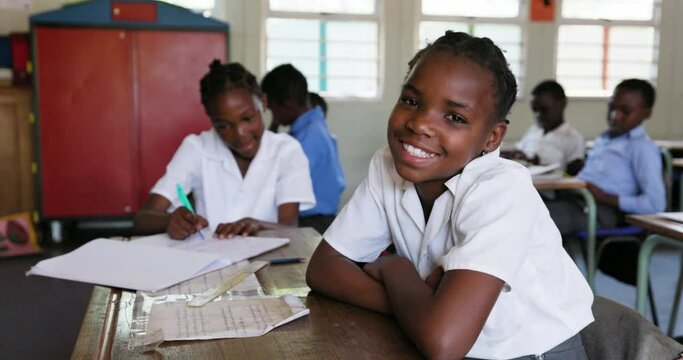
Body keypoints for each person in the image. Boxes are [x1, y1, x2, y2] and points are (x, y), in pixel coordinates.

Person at [306, 31, 593, 359]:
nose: (420, 124)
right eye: (412, 101)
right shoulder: (387, 163)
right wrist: (420, 306)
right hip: (443, 340)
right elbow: (323, 268)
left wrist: (395, 270)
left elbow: (443, 341)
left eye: (455, 117)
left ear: (492, 137)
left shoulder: (502, 189)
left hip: (530, 352)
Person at [133, 60, 315, 240]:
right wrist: (170, 221)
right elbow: (143, 219)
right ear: (211, 120)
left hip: (267, 264)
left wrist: (258, 225)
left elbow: (290, 227)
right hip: (210, 262)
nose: (240, 134)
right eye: (223, 126)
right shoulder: (197, 148)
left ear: (263, 103)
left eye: (248, 118)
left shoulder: (286, 150)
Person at [546, 79, 666, 235]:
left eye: (625, 111)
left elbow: (656, 204)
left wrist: (606, 197)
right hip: (574, 199)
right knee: (519, 204)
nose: (615, 116)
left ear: (647, 113)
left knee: (533, 218)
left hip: (600, 210)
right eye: (611, 108)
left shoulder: (642, 147)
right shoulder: (606, 138)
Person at [261, 64, 345, 234]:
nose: (272, 115)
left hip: (312, 222)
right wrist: (275, 123)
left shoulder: (306, 138)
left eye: (273, 110)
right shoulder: (314, 126)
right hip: (318, 218)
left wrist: (274, 124)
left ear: (288, 104)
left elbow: (266, 171)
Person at [505, 80, 585, 175]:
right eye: (535, 110)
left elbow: (573, 176)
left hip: (548, 187)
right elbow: (518, 151)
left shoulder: (573, 138)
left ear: (562, 104)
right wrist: (519, 156)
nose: (538, 115)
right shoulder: (533, 130)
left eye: (544, 110)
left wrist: (540, 164)